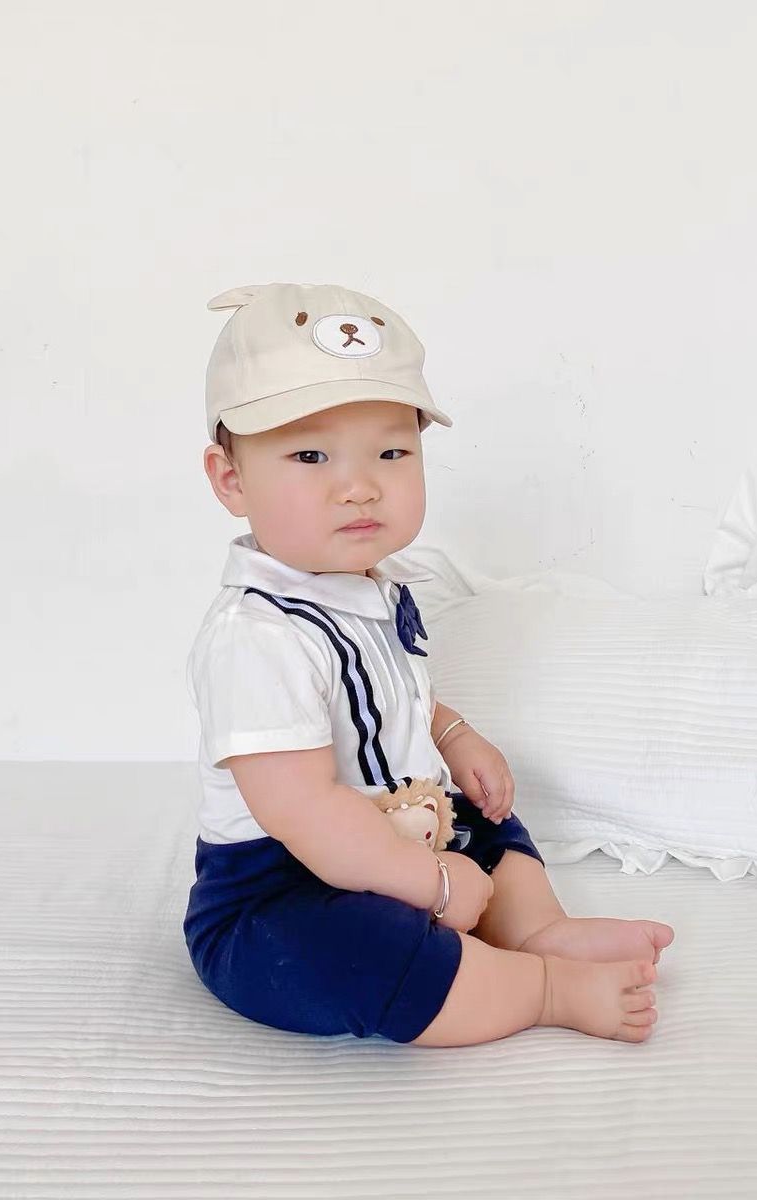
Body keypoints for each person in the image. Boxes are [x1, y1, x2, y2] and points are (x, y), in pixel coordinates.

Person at [183, 282, 673, 1046]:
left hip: (398, 826)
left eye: (391, 452)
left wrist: (452, 735)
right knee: (363, 954)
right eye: (310, 455)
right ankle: (538, 987)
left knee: (484, 815)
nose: (360, 486)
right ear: (230, 478)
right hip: (283, 881)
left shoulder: (372, 587)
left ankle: (534, 929)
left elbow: (392, 699)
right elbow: (303, 809)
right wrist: (432, 884)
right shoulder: (257, 636)